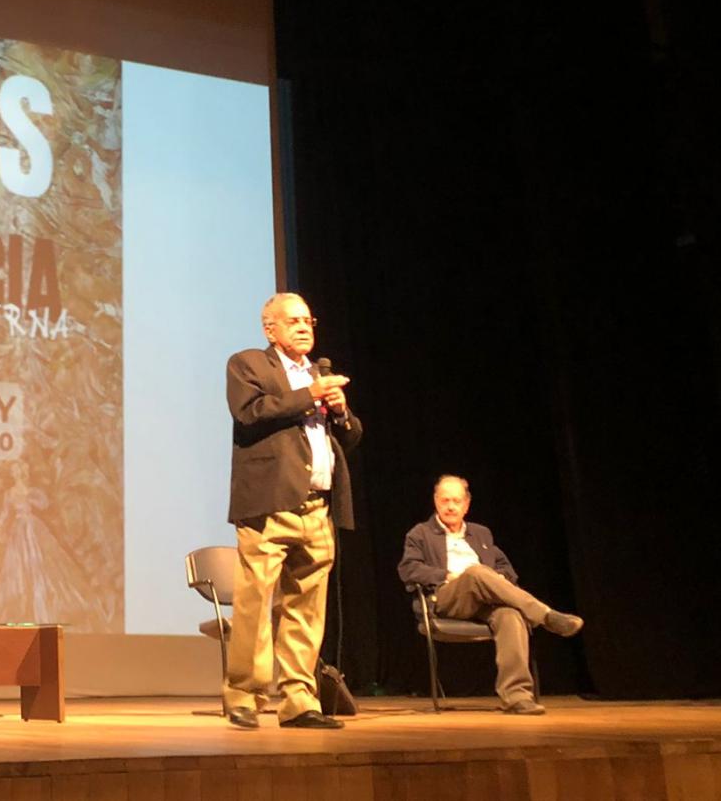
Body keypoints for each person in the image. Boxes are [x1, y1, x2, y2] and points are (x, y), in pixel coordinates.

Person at [223, 292, 363, 729]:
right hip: (269, 503)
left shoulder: (317, 375)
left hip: (318, 508)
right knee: (254, 602)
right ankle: (244, 695)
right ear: (271, 329)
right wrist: (310, 394)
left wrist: (341, 414)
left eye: (309, 320)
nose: (305, 327)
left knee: (306, 609)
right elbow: (249, 413)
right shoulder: (249, 364)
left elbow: (351, 438)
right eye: (294, 321)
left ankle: (299, 701)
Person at [397, 475, 584, 715]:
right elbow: (409, 569)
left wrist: (501, 580)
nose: (450, 506)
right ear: (435, 502)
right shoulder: (420, 533)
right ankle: (546, 616)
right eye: (445, 500)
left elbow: (505, 568)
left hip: (484, 600)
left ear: (467, 505)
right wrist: (449, 575)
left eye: (456, 501)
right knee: (476, 572)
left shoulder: (481, 534)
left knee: (511, 615)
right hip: (447, 598)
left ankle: (517, 697)